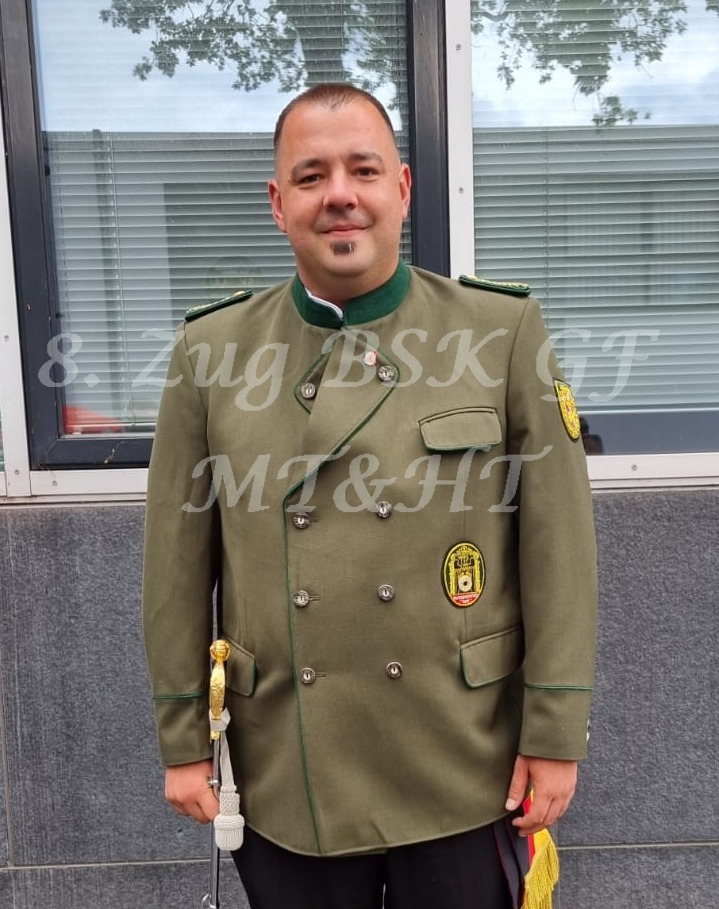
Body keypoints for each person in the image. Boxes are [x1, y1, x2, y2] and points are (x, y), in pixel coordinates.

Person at [143, 83, 597, 909]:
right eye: (311, 176)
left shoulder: (499, 334)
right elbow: (175, 567)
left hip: (465, 757)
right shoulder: (210, 352)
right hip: (289, 766)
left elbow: (558, 552)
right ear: (278, 203)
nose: (340, 195)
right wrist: (183, 740)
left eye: (363, 169)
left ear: (403, 187)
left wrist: (555, 731)